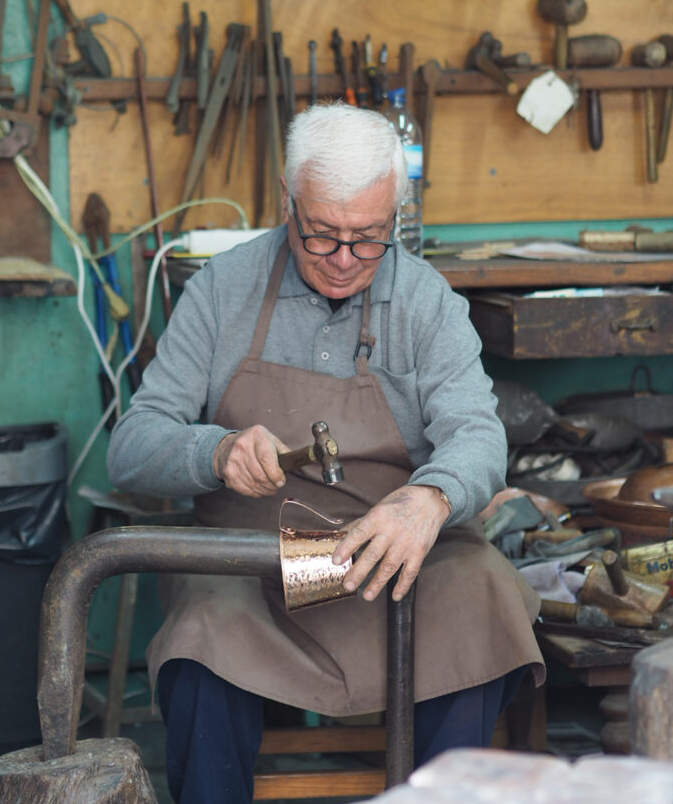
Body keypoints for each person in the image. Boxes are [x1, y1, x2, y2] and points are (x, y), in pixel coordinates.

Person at [107, 102, 545, 804]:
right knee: (201, 631)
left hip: (388, 561)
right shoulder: (223, 290)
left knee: (484, 591)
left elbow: (477, 434)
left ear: (395, 219)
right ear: (287, 203)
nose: (344, 260)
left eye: (368, 239)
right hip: (254, 569)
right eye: (321, 237)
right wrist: (212, 453)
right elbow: (131, 446)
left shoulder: (426, 302)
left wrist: (429, 498)